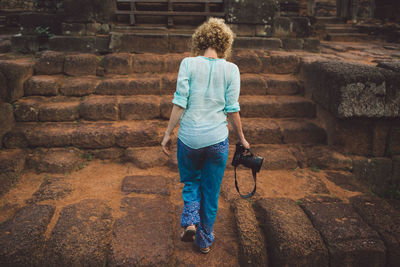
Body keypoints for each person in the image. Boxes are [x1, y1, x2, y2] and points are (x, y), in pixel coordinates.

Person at [161, 17, 250, 254]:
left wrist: (168, 133)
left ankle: (190, 221)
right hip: (217, 140)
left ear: (200, 40)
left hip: (189, 138)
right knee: (211, 192)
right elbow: (232, 108)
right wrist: (241, 137)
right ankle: (204, 241)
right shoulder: (232, 69)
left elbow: (179, 103)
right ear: (225, 43)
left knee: (191, 181)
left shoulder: (188, 63)